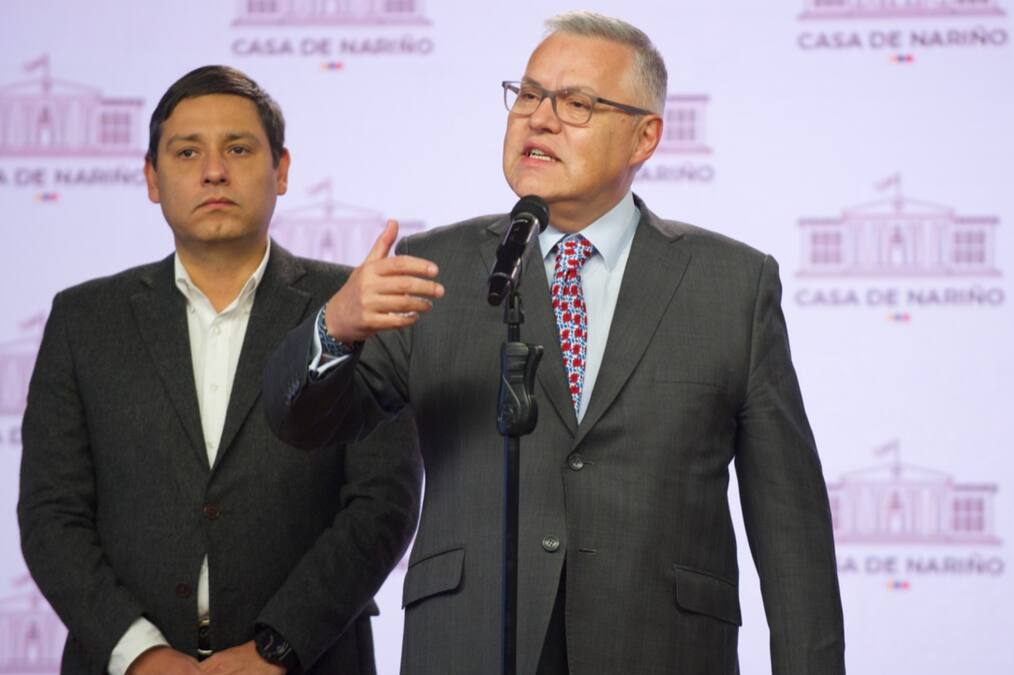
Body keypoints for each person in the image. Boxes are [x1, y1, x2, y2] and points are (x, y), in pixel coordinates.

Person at [264, 11, 844, 675]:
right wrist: (333, 326)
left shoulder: (732, 285)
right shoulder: (433, 269)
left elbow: (791, 527)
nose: (539, 119)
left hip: (662, 648)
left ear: (645, 137)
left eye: (576, 103)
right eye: (529, 95)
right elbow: (301, 423)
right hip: (471, 644)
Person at [18, 65, 422, 675]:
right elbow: (52, 515)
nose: (213, 171)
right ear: (151, 178)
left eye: (238, 148)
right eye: (187, 152)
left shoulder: (354, 307)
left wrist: (277, 648)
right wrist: (139, 652)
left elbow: (382, 503)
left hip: (311, 660)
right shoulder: (84, 320)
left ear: (281, 170)